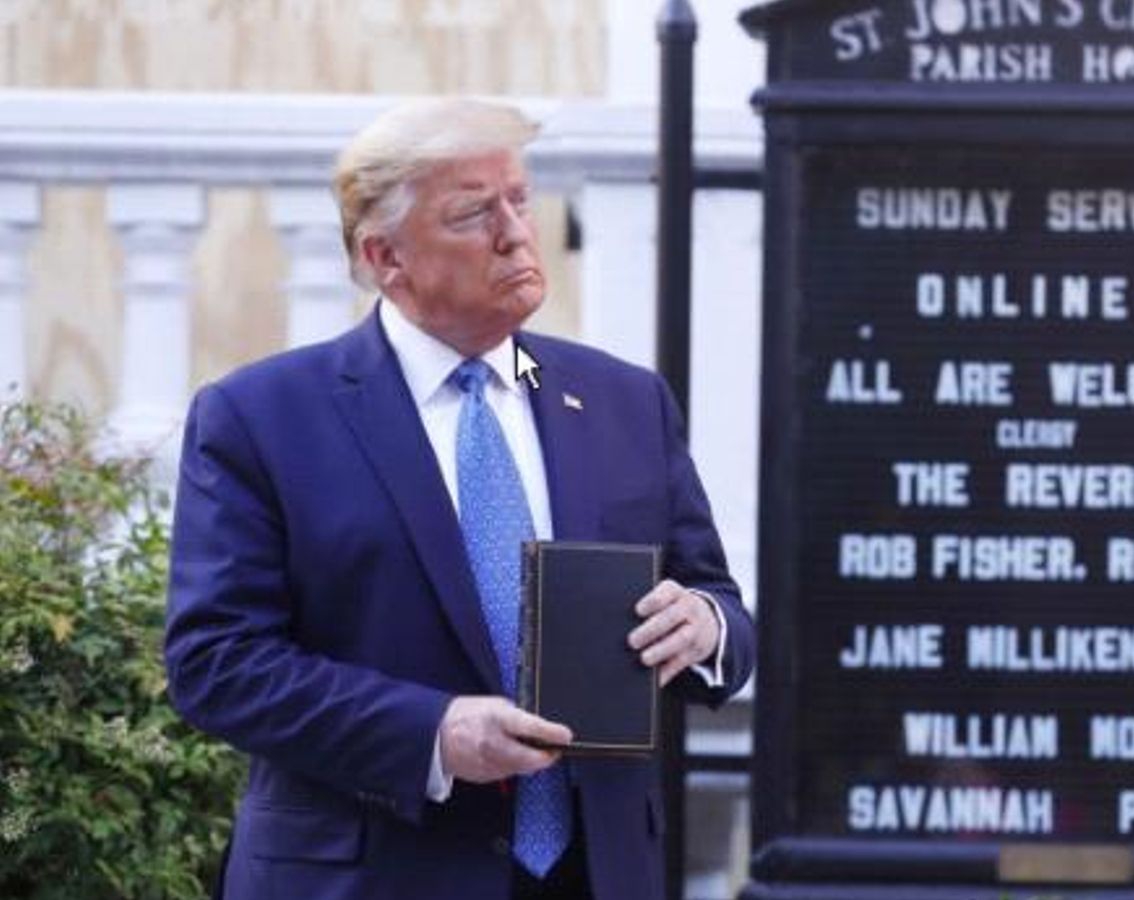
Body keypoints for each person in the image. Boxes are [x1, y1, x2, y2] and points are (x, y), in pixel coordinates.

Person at [164, 98, 754, 900]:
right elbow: (216, 664)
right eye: (475, 212)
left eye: (519, 198)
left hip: (597, 873)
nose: (515, 231)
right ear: (385, 257)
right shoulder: (264, 417)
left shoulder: (620, 400)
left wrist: (707, 625)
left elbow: (718, 600)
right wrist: (432, 733)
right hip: (371, 874)